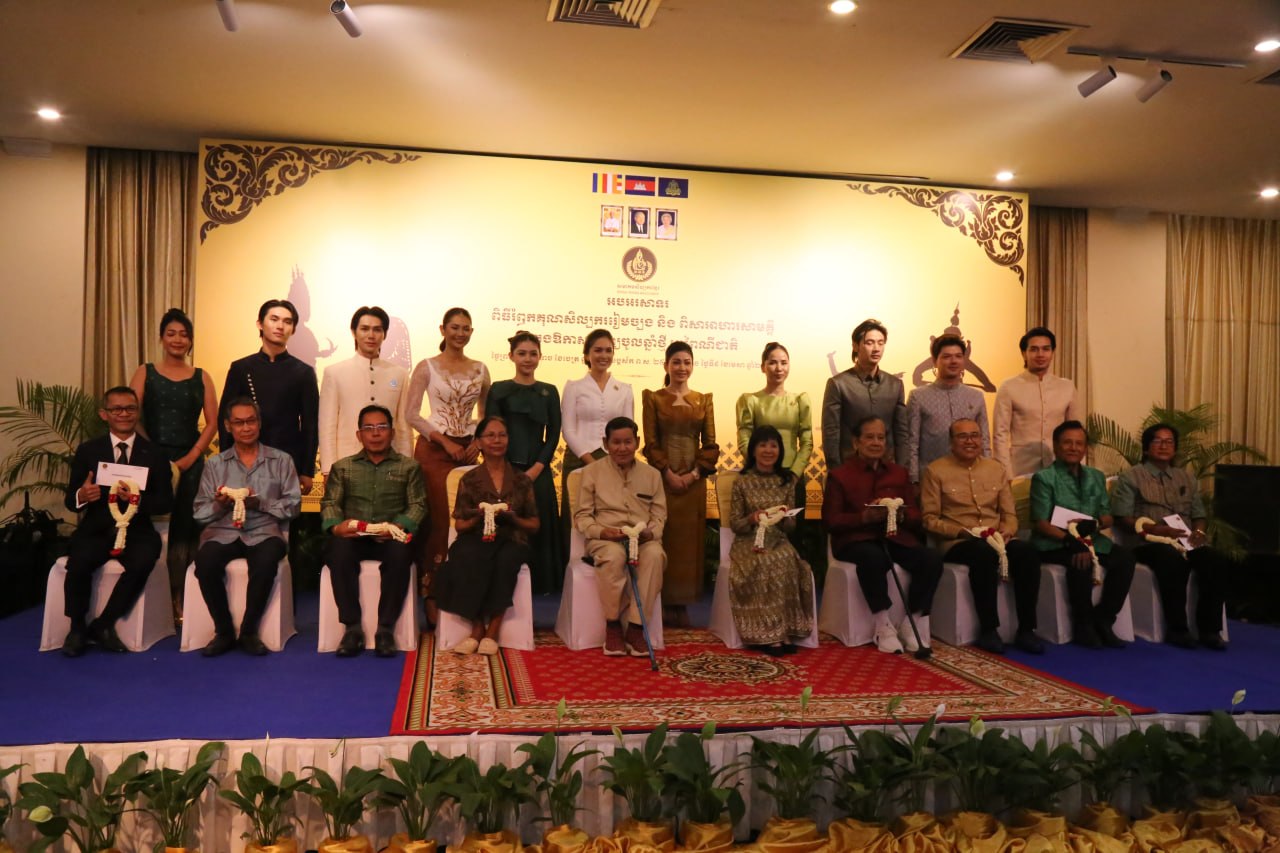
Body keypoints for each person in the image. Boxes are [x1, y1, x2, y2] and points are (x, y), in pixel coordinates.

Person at [60, 387, 174, 657]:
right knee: (78, 562)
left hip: (137, 530)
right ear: (105, 414)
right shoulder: (88, 451)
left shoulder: (155, 454)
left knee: (143, 561)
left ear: (138, 412)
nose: (124, 414)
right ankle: (76, 628)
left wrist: (137, 500)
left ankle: (103, 625)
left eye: (130, 408)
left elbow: (165, 502)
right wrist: (82, 495)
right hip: (97, 528)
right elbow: (71, 500)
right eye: (117, 409)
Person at [920, 419, 1043, 655]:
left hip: (997, 538)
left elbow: (1009, 514)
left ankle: (1027, 629)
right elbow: (929, 519)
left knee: (1027, 553)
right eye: (963, 436)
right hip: (958, 541)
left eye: (974, 435)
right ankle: (989, 629)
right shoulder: (935, 471)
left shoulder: (995, 469)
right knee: (983, 554)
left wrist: (1008, 530)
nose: (970, 441)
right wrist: (961, 532)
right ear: (951, 442)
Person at [191, 397, 301, 656]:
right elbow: (199, 513)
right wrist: (219, 505)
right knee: (205, 563)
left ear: (259, 423)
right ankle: (224, 632)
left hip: (264, 531)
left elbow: (294, 505)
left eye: (251, 421)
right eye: (239, 423)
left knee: (265, 562)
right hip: (223, 531)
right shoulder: (215, 464)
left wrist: (260, 503)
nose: (246, 427)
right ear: (228, 426)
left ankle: (249, 632)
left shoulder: (281, 460)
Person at [823, 415, 941, 654]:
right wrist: (864, 518)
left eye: (880, 437)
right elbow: (831, 521)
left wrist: (901, 515)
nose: (876, 443)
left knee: (931, 559)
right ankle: (883, 625)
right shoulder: (840, 475)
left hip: (894, 536)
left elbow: (916, 515)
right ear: (856, 442)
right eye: (869, 437)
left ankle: (912, 621)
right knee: (873, 558)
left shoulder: (898, 473)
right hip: (855, 539)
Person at [128, 307, 219, 603]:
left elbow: (213, 423)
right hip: (151, 459)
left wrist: (193, 456)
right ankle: (148, 596)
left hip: (191, 460)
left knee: (187, 525)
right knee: (143, 517)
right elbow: (131, 415)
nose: (178, 340)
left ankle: (182, 595)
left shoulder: (202, 377)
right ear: (161, 338)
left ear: (190, 340)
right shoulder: (145, 372)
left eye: (184, 335)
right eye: (171, 334)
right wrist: (154, 455)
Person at [1112, 423, 1229, 650]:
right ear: (1146, 448)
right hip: (1147, 542)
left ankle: (1209, 630)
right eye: (1157, 441)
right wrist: (1156, 529)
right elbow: (1122, 518)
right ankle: (1178, 630)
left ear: (1175, 448)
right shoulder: (1131, 477)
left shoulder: (1186, 478)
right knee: (1171, 560)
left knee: (1216, 561)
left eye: (1169, 442)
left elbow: (1199, 515)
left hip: (1184, 540)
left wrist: (1199, 532)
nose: (1164, 446)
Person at [406, 307, 490, 620]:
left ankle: (464, 590)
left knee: (468, 520)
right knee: (439, 522)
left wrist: (477, 443)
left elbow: (485, 415)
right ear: (443, 329)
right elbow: (411, 414)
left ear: (472, 332)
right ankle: (431, 591)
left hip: (467, 453)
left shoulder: (481, 369)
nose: (460, 333)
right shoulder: (426, 367)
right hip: (434, 451)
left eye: (466, 328)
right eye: (454, 327)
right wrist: (445, 442)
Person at [321, 404, 426, 657]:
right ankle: (352, 629)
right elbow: (330, 503)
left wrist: (398, 527)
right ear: (359, 435)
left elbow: (418, 505)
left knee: (400, 553)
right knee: (338, 551)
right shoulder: (343, 467)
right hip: (354, 537)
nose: (375, 433)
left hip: (391, 536)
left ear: (392, 432)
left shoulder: (408, 467)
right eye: (369, 428)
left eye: (382, 427)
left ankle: (385, 630)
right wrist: (337, 527)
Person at [435, 415, 538, 655]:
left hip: (511, 538)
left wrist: (513, 518)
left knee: (506, 559)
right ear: (479, 442)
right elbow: (460, 525)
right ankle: (477, 627)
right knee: (467, 555)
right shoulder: (469, 479)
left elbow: (534, 524)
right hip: (476, 536)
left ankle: (493, 630)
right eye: (490, 435)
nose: (497, 440)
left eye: (502, 435)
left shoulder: (522, 480)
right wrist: (479, 517)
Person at [1030, 420, 1134, 649]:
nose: (1073, 448)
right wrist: (1071, 541)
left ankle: (1104, 620)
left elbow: (1108, 516)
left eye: (1079, 443)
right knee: (1080, 560)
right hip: (1054, 542)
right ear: (1055, 446)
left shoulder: (1096, 476)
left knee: (1125, 558)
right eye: (1067, 443)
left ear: (1085, 448)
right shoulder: (1044, 478)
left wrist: (1096, 524)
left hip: (1091, 538)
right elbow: (1040, 523)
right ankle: (1083, 625)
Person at [575, 417, 667, 656]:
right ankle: (613, 626)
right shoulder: (592, 472)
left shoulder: (652, 475)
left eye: (628, 442)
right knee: (614, 557)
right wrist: (601, 532)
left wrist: (650, 532)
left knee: (655, 555)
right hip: (606, 539)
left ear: (637, 442)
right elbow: (582, 516)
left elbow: (659, 516)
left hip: (642, 539)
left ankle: (636, 628)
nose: (622, 448)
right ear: (606, 443)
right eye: (616, 442)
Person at [642, 340, 718, 625]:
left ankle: (683, 605)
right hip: (662, 481)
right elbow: (650, 443)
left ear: (692, 366)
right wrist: (667, 473)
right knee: (665, 539)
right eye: (676, 362)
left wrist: (694, 475)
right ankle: (662, 602)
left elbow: (710, 445)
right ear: (666, 365)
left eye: (687, 362)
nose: (681, 367)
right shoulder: (654, 398)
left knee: (689, 546)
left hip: (693, 485)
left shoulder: (703, 400)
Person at [485, 331, 564, 594]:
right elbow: (493, 432)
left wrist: (537, 468)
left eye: (533, 354)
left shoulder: (549, 391)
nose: (527, 359)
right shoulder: (499, 389)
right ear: (511, 356)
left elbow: (554, 434)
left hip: (539, 469)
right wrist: (505, 469)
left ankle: (543, 585)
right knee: (507, 522)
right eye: (522, 353)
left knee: (539, 522)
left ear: (540, 357)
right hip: (505, 468)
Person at [727, 426, 815, 656]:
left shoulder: (786, 481)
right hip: (749, 542)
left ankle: (785, 630)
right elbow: (735, 524)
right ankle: (768, 633)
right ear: (753, 450)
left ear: (780, 450)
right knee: (767, 561)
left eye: (773, 445)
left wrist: (785, 518)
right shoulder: (742, 481)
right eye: (763, 445)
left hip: (777, 538)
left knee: (787, 558)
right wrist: (752, 518)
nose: (768, 450)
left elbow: (790, 527)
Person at [219, 299, 319, 493]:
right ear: (260, 324)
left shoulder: (303, 372)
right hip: (244, 461)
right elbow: (225, 417)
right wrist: (225, 461)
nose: (280, 326)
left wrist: (307, 470)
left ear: (293, 329)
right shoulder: (241, 368)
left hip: (287, 461)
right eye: (274, 319)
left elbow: (310, 423)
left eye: (287, 322)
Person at [561, 328, 634, 559]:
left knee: (610, 514)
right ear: (587, 355)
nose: (603, 355)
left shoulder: (624, 389)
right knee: (577, 515)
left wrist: (615, 457)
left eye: (608, 350)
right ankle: (573, 565)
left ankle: (610, 560)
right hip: (578, 458)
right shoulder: (574, 387)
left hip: (614, 459)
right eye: (598, 350)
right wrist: (591, 461)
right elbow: (568, 430)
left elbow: (628, 430)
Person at [318, 306, 411, 475]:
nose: (371, 335)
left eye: (377, 330)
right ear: (354, 332)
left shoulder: (400, 374)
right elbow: (327, 426)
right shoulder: (334, 373)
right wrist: (328, 469)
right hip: (346, 463)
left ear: (385, 334)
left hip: (390, 465)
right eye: (364, 329)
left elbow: (403, 426)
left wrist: (407, 465)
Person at [993, 327, 1081, 478]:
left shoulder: (1067, 387)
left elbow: (1077, 433)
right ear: (1024, 353)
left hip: (1059, 468)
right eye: (1034, 349)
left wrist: (1077, 469)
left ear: (1052, 353)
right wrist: (1005, 473)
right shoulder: (1008, 387)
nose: (1040, 354)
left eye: (1046, 349)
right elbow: (999, 435)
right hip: (1020, 469)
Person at [822, 319, 908, 470]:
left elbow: (901, 433)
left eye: (881, 343)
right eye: (869, 343)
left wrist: (902, 471)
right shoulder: (838, 384)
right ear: (855, 346)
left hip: (886, 469)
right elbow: (831, 433)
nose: (876, 348)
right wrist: (836, 472)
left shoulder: (895, 385)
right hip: (850, 469)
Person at [905, 334, 990, 483]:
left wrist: (988, 474)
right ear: (934, 361)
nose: (953, 361)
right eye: (946, 357)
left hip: (970, 479)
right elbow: (911, 443)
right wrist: (913, 480)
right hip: (930, 478)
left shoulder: (976, 396)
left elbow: (984, 441)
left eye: (958, 356)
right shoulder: (917, 396)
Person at [735, 341, 812, 500]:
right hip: (759, 476)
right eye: (772, 363)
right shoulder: (750, 400)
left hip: (793, 476)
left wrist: (795, 474)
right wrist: (761, 468)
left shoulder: (799, 400)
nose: (779, 368)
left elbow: (807, 441)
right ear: (763, 367)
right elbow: (744, 440)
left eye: (784, 363)